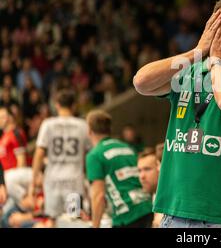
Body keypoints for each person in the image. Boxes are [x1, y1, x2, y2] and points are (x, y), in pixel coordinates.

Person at [133, 0, 221, 227]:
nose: (219, 35)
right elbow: (141, 82)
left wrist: (216, 61)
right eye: (216, 26)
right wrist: (197, 51)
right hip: (175, 211)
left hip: (220, 216)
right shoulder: (188, 71)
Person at [86, 110, 153, 228]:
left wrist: (95, 226)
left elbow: (98, 196)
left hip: (127, 216)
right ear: (109, 129)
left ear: (89, 131)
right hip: (147, 208)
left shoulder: (95, 155)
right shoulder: (127, 147)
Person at [31, 89, 91, 221]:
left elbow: (39, 153)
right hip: (74, 181)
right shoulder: (83, 126)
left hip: (52, 181)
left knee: (52, 220)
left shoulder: (48, 124)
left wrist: (33, 181)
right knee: (74, 220)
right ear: (74, 105)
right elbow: (89, 155)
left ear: (56, 105)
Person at [0, 106, 28, 171]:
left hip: (14, 176)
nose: (0, 120)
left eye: (2, 117)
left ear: (10, 117)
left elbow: (22, 161)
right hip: (6, 176)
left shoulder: (16, 134)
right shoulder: (3, 137)